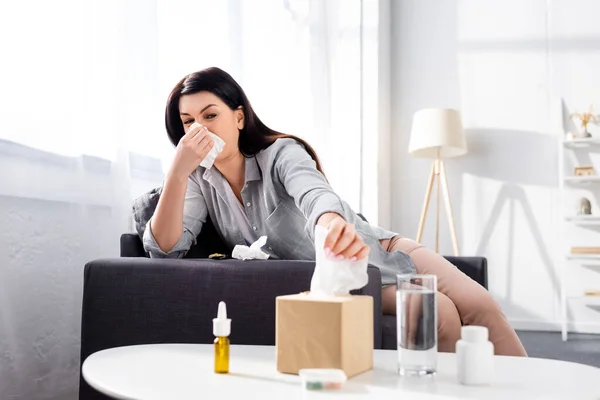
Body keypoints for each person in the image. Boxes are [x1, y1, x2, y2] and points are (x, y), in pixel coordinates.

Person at [143, 67, 527, 356]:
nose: (199, 130)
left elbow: (314, 193)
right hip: (344, 278)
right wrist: (177, 171)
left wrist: (331, 222)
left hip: (378, 247)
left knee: (481, 306)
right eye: (188, 121)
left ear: (239, 118)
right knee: (436, 309)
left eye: (210, 116)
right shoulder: (195, 180)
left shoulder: (280, 153)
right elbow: (164, 250)